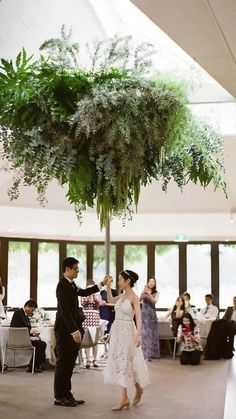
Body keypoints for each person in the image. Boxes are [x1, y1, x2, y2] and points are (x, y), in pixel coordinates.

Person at [54, 257, 106, 407]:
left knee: (70, 363)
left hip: (73, 329)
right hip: (65, 330)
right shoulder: (62, 285)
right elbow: (65, 312)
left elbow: (84, 292)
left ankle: (67, 394)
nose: (77, 271)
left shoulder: (72, 284)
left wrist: (101, 284)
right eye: (76, 268)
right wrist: (74, 330)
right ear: (67, 269)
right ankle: (59, 396)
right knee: (63, 363)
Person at [104, 270, 150, 411]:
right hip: (117, 330)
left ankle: (124, 398)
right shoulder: (123, 296)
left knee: (126, 362)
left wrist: (138, 335)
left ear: (127, 281)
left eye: (120, 280)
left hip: (128, 331)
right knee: (122, 362)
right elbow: (110, 300)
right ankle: (137, 389)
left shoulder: (134, 298)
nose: (118, 282)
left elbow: (139, 317)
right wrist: (107, 286)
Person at [10, 299, 46, 372]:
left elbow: (24, 329)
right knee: (41, 344)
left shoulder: (24, 315)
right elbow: (18, 328)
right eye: (32, 310)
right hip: (19, 339)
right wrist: (30, 334)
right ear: (27, 306)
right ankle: (33, 366)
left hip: (23, 337)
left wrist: (32, 334)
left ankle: (35, 365)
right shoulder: (18, 314)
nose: (32, 312)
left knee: (41, 343)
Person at [81, 279, 101, 368]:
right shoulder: (84, 294)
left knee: (95, 340)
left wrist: (94, 296)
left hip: (95, 317)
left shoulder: (97, 294)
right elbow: (83, 303)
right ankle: (88, 360)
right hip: (86, 317)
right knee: (87, 340)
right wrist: (88, 296)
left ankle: (95, 359)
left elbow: (99, 304)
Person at [140, 277, 160, 361]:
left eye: (153, 282)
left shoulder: (157, 292)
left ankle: (152, 354)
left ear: (155, 284)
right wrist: (145, 292)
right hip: (144, 314)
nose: (151, 283)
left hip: (151, 314)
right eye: (150, 281)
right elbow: (140, 298)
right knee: (144, 333)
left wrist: (149, 294)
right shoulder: (144, 290)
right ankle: (145, 354)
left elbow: (154, 301)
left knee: (152, 334)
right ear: (147, 283)